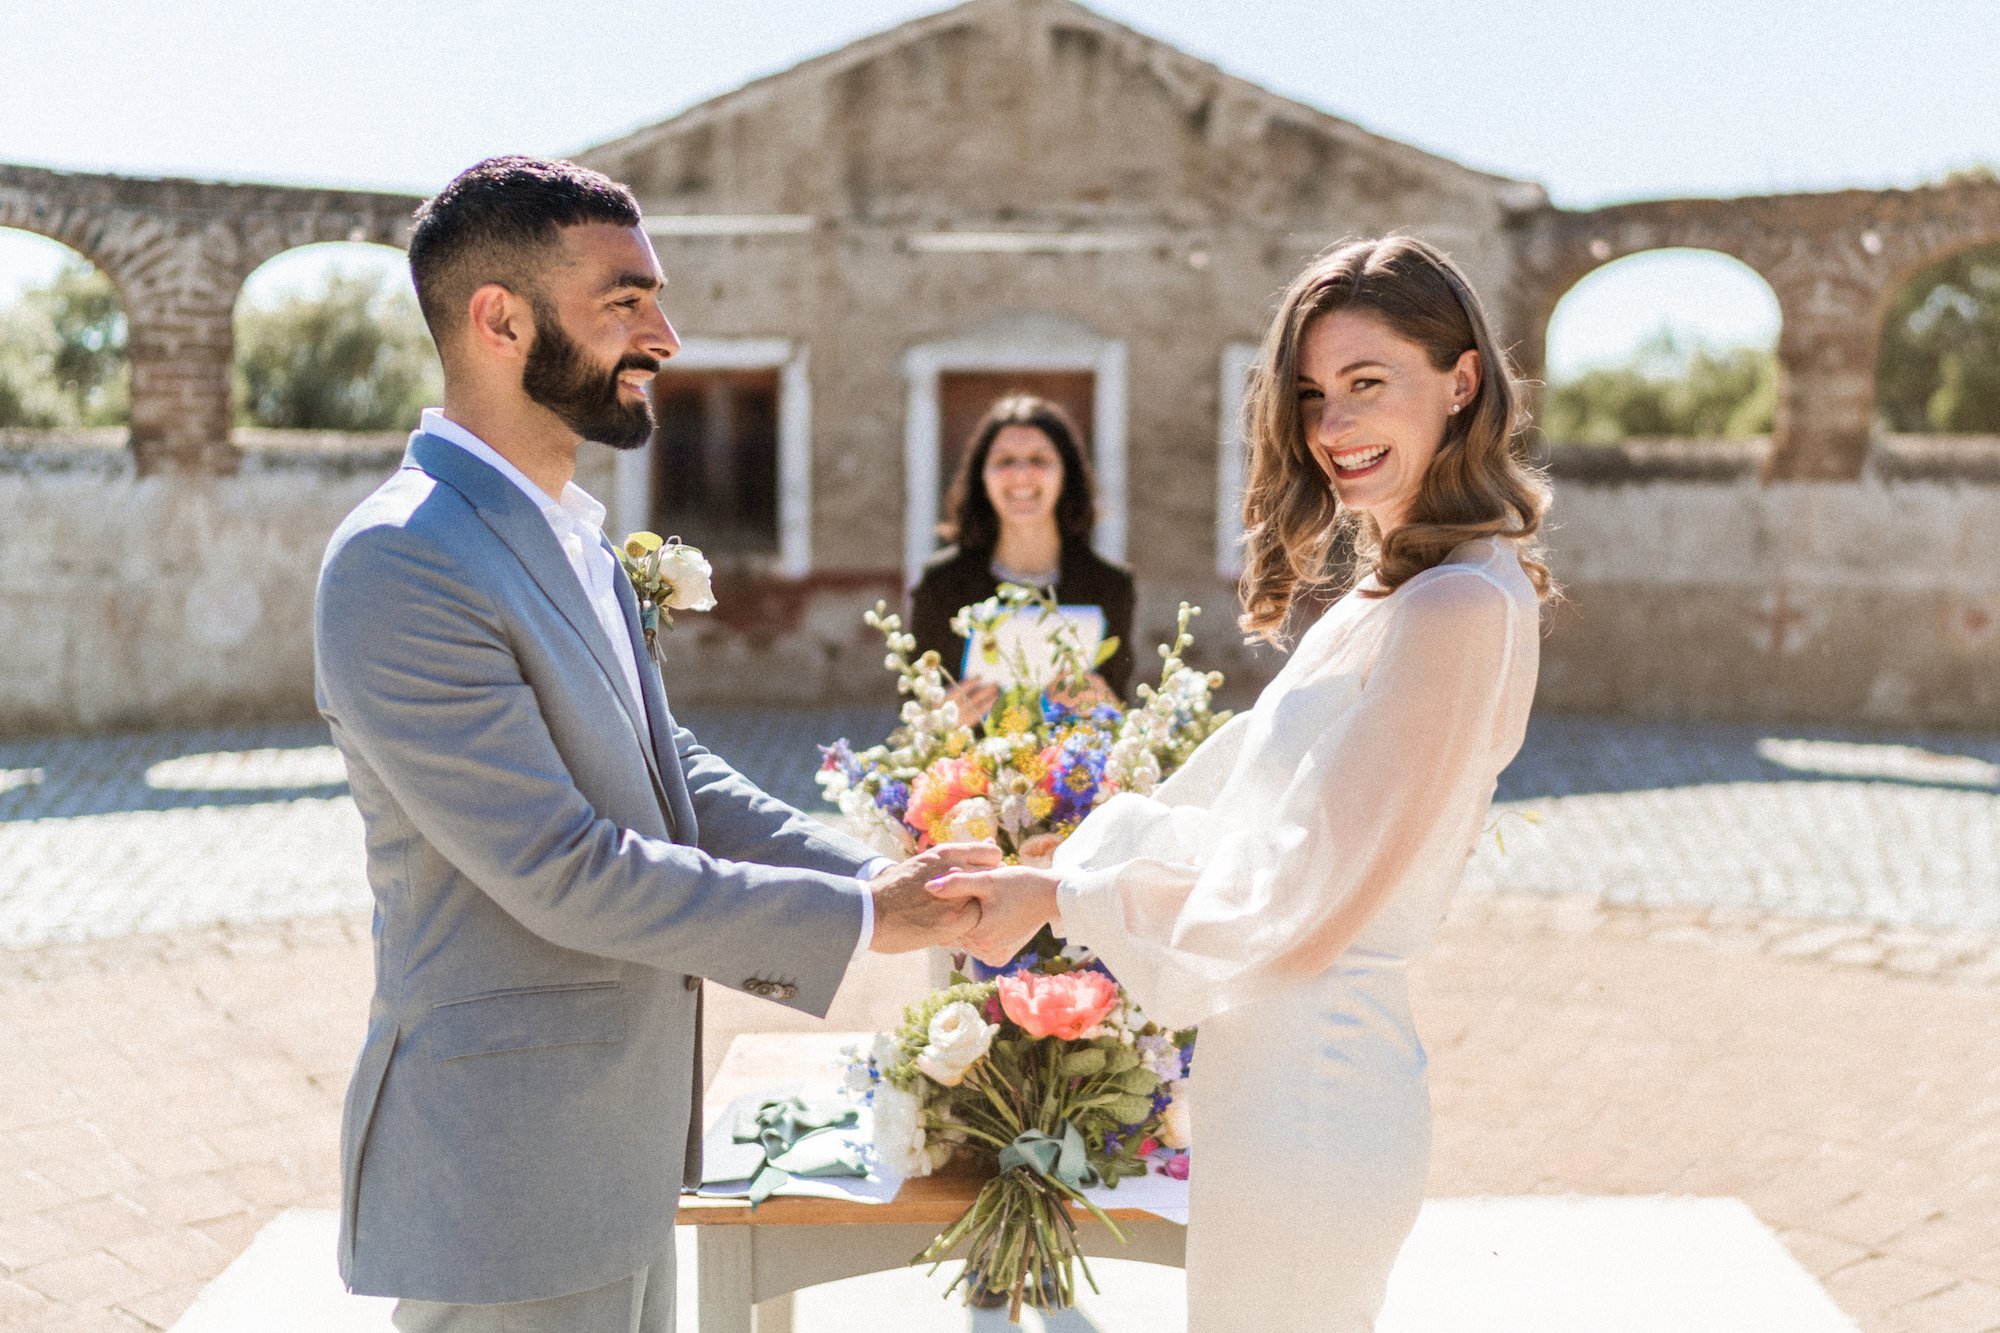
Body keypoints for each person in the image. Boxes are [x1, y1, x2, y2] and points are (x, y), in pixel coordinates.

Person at [313, 157, 995, 1333]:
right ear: (498, 319)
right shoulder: (401, 561)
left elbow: (671, 773)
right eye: (624, 301)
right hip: (510, 1169)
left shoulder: (572, 537)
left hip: (621, 1146)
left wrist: (867, 876)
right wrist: (870, 924)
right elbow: (561, 868)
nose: (665, 337)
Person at [931, 236, 1553, 1331]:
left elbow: (1300, 895)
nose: (1332, 427)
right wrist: (1043, 870)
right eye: (1313, 394)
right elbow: (1236, 815)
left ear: (1460, 382)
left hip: (1313, 1081)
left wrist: (1059, 899)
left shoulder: (1454, 606)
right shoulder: (1400, 591)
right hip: (1268, 1070)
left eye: (1368, 383)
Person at [908, 394, 1136, 709]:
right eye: (1003, 461)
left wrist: (1105, 705)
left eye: (1039, 460)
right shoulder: (940, 585)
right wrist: (944, 720)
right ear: (981, 478)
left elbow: (1120, 707)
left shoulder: (1111, 585)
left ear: (1066, 474)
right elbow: (912, 711)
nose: (1021, 474)